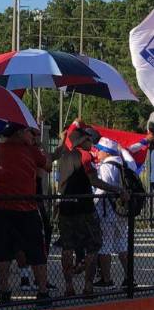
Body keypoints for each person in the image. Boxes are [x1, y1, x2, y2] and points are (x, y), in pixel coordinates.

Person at [57, 127, 123, 296]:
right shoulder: (85, 156)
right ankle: (88, 286)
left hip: (65, 207)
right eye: (88, 140)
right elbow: (95, 180)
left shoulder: (63, 157)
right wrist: (116, 189)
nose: (91, 144)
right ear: (82, 141)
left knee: (67, 247)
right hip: (84, 208)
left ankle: (69, 286)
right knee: (93, 246)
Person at [0, 125, 51, 304]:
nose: (31, 135)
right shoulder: (31, 150)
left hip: (4, 208)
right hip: (25, 209)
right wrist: (39, 145)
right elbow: (47, 165)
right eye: (28, 132)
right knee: (36, 252)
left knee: (3, 251)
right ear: (18, 132)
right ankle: (42, 291)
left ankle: (5, 290)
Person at [93, 138, 130, 288]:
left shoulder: (106, 166)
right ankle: (130, 277)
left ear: (106, 152)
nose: (97, 152)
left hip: (107, 211)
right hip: (121, 210)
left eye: (99, 149)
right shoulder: (121, 164)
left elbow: (103, 187)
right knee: (122, 244)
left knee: (105, 245)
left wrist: (94, 203)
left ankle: (106, 280)